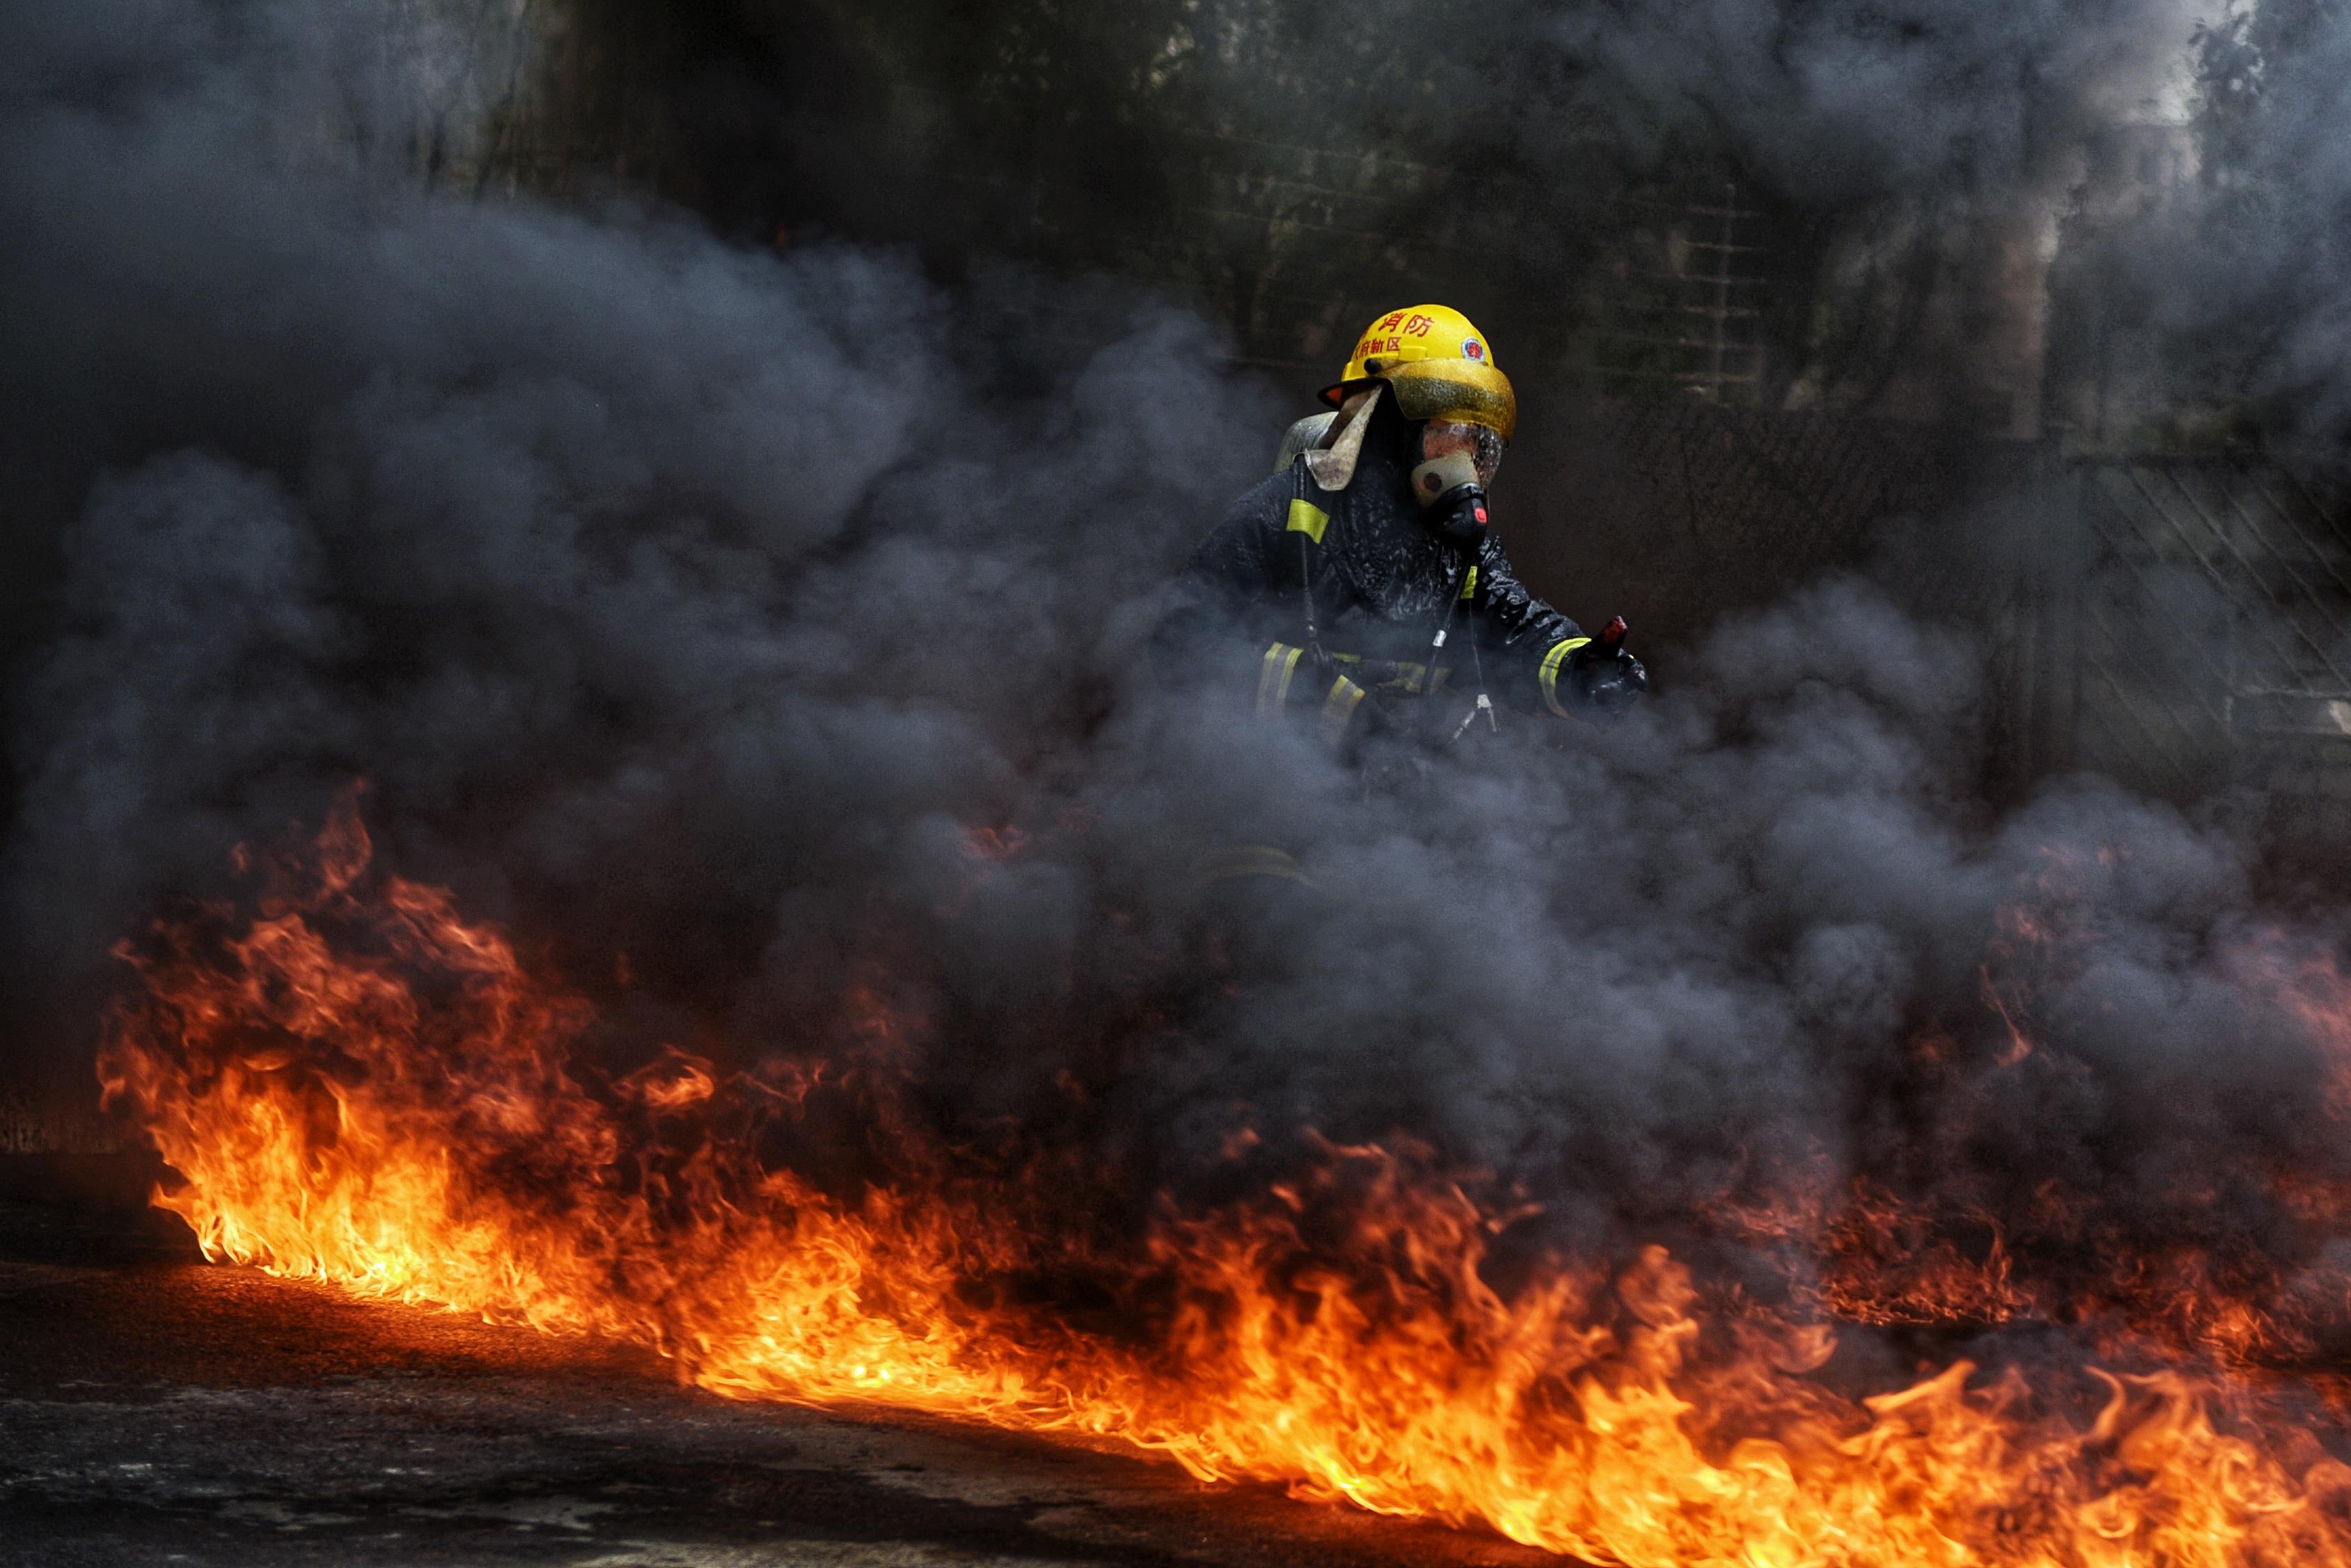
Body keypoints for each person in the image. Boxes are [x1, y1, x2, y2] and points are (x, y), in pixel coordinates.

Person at [1156, 304, 1645, 752]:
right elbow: (1182, 646)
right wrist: (1347, 720)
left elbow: (1515, 631)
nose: (1465, 460)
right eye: (1448, 433)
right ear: (1385, 426)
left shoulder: (1458, 550)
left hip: (1393, 811)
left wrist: (1577, 669)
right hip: (1269, 791)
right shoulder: (1285, 513)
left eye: (1477, 442)